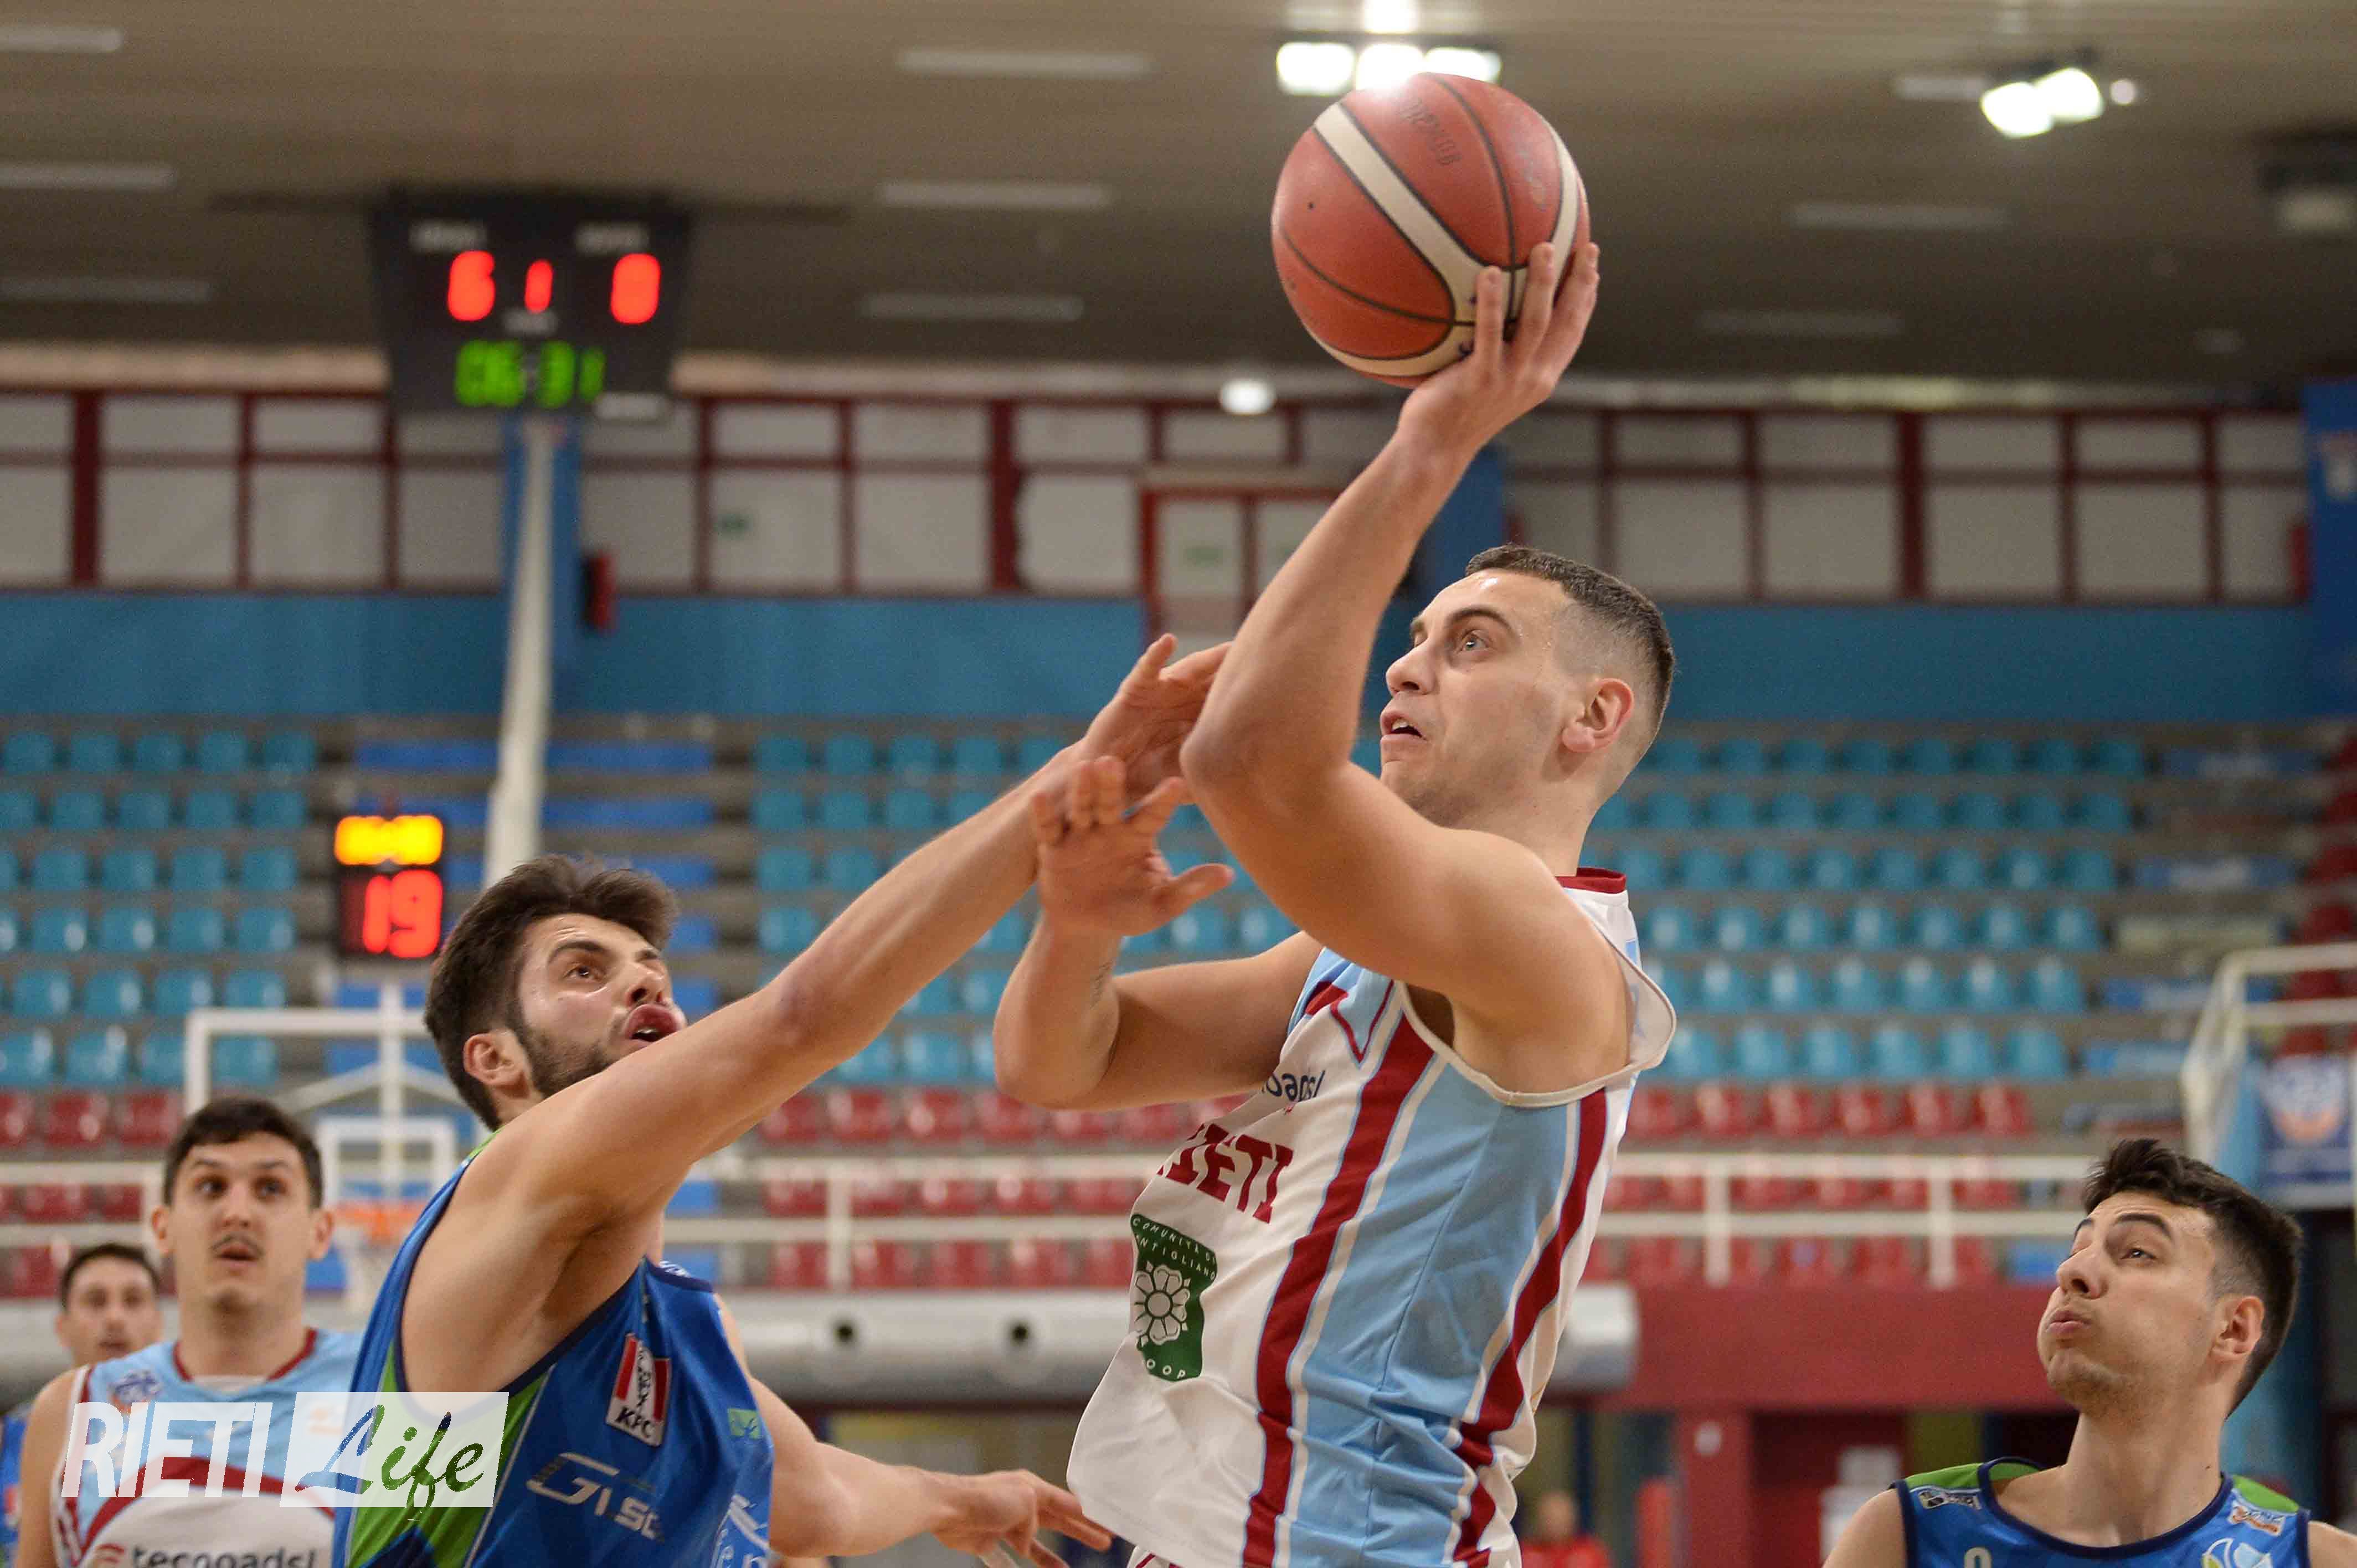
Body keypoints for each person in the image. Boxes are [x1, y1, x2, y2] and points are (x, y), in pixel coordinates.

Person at [995, 240, 1676, 1568]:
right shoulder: (1352, 954)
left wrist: (1431, 444)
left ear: (1593, 718)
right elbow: (1057, 1061)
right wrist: (1077, 920)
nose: (1405, 671)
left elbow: (1250, 758)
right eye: (1412, 642)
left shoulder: (1539, 937)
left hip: (1343, 1541)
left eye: (1469, 644)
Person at [333, 643, 1226, 1567]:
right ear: (497, 1061)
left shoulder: (676, 1333)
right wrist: (1079, 775)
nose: (643, 986)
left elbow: (815, 1504)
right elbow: (804, 1018)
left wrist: (958, 1497)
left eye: (651, 970)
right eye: (584, 973)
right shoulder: (511, 1186)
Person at [1823, 1137, 2357, 1568]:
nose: (2072, 1271)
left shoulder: (2318, 1559)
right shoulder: (1909, 1534)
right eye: (2078, 1249)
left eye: (2137, 1252)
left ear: (2234, 1329)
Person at [14, 1097, 359, 1567]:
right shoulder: (72, 1409)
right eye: (211, 1186)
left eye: (270, 1188)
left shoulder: (384, 1389)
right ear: (163, 1228)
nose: (237, 1213)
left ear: (320, 1232)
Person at [1, 1244, 166, 1566]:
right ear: (63, 1328)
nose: (115, 1318)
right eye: (96, 1301)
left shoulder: (202, 1434)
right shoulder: (12, 1438)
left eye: (133, 1300)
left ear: (158, 1324)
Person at [1522, 1490, 1608, 1568]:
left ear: (1572, 1518)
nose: (1554, 1523)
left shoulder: (1591, 1553)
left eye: (1559, 1517)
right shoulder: (1525, 1553)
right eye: (1550, 1517)